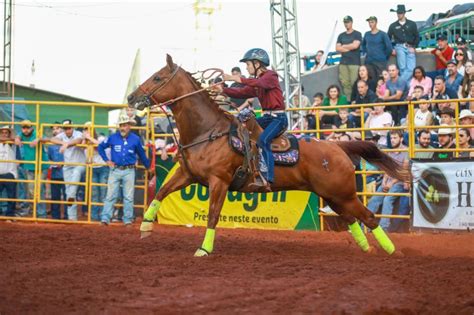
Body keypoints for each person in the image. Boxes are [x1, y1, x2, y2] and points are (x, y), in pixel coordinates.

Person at [221, 48, 287, 189]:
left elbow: (258, 84)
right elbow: (241, 92)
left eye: (248, 64)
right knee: (241, 125)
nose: (247, 67)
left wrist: (233, 78)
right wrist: (223, 90)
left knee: (263, 140)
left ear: (257, 64)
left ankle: (268, 179)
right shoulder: (258, 82)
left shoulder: (270, 76)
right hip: (267, 118)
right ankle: (251, 168)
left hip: (279, 119)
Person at [99, 115, 151, 226]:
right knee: (111, 195)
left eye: (125, 125)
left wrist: (149, 167)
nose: (122, 128)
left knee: (128, 197)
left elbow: (142, 154)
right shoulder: (113, 137)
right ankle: (105, 219)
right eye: (121, 125)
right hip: (115, 169)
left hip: (129, 170)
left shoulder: (135, 139)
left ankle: (127, 220)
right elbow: (100, 147)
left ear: (129, 126)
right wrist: (107, 160)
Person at [367, 130, 409, 230]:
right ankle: (365, 226)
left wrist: (390, 183)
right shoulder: (390, 152)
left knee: (387, 199)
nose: (393, 140)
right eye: (391, 138)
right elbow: (386, 170)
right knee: (374, 200)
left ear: (401, 139)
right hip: (389, 180)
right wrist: (384, 182)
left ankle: (384, 228)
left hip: (399, 182)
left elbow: (402, 171)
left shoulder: (406, 151)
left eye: (395, 138)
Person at [49, 119, 87, 221]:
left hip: (80, 164)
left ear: (73, 127)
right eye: (65, 128)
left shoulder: (78, 133)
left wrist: (66, 144)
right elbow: (52, 139)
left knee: (75, 176)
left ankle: (71, 197)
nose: (68, 130)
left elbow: (78, 140)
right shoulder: (62, 135)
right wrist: (63, 143)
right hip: (68, 165)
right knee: (68, 190)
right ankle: (72, 217)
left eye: (69, 128)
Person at [14, 119, 49, 218]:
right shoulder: (21, 134)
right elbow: (16, 136)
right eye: (24, 127)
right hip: (29, 166)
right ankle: (34, 210)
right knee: (31, 191)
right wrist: (17, 138)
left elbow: (46, 139)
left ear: (31, 128)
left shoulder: (37, 133)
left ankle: (41, 213)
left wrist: (38, 139)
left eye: (27, 127)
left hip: (41, 166)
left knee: (39, 190)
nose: (25, 129)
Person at [82, 122, 109, 221]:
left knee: (103, 192)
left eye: (89, 128)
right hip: (93, 168)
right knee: (94, 193)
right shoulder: (85, 141)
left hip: (103, 167)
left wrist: (89, 138)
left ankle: (103, 216)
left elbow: (101, 145)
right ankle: (94, 216)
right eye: (85, 129)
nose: (87, 130)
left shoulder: (100, 138)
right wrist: (85, 139)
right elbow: (82, 148)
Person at [387, 4, 419, 83]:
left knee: (412, 69)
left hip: (410, 46)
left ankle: (399, 83)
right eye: (398, 13)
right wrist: (391, 49)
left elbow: (417, 36)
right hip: (399, 47)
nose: (399, 14)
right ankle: (406, 90)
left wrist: (414, 47)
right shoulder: (392, 26)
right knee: (402, 68)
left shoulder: (412, 24)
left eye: (400, 13)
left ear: (404, 13)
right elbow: (388, 38)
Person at [336, 15, 362, 101]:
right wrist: (349, 47)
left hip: (354, 62)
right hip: (343, 63)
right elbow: (337, 48)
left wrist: (344, 46)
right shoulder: (341, 35)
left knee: (354, 83)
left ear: (351, 22)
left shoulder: (357, 34)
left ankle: (355, 101)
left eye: (348, 22)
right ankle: (348, 102)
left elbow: (355, 46)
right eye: (345, 22)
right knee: (345, 83)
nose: (346, 24)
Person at [362, 16, 392, 80]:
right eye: (369, 22)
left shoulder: (383, 34)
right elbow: (363, 45)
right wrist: (365, 53)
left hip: (380, 62)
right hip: (369, 62)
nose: (370, 24)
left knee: (381, 80)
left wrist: (384, 57)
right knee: (370, 80)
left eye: (372, 22)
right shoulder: (366, 34)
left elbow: (389, 48)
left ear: (376, 22)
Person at [47, 123, 66, 220]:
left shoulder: (67, 142)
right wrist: (54, 163)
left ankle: (68, 216)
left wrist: (63, 163)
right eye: (53, 129)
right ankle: (55, 216)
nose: (55, 131)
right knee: (55, 196)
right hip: (55, 173)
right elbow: (48, 159)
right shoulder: (50, 145)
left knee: (68, 195)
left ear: (62, 130)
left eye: (57, 128)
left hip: (67, 173)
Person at [0, 125, 18, 218]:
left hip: (9, 173)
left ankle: (10, 215)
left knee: (11, 196)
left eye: (6, 132)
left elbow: (14, 138)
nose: (4, 134)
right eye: (2, 132)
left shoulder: (11, 143)